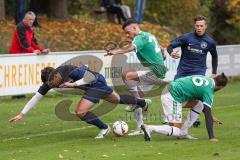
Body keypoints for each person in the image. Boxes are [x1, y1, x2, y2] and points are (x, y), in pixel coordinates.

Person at [9, 64, 151, 139]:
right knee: (117, 99)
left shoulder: (68, 70)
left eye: (53, 82)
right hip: (93, 85)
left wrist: (74, 84)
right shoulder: (49, 82)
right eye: (50, 84)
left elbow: (89, 77)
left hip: (95, 82)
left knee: (80, 111)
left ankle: (104, 128)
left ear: (56, 74)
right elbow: (37, 97)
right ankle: (143, 103)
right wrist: (22, 113)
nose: (52, 85)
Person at [105, 18, 167, 136]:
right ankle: (140, 125)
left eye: (128, 32)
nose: (127, 35)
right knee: (136, 97)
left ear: (135, 28)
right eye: (126, 34)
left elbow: (130, 48)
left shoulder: (139, 38)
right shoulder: (149, 35)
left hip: (155, 71)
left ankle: (141, 102)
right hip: (155, 70)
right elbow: (160, 47)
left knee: (126, 75)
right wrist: (163, 53)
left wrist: (115, 51)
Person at [141, 73, 228, 142]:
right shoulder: (209, 90)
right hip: (172, 96)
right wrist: (211, 137)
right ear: (221, 87)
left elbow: (205, 109)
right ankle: (150, 128)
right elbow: (207, 114)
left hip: (173, 92)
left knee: (199, 105)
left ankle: (184, 132)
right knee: (176, 131)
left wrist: (210, 116)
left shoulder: (206, 79)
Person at [166, 15, 218, 127]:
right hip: (183, 71)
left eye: (201, 26)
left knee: (197, 96)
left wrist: (214, 72)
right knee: (173, 94)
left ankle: (195, 117)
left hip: (199, 72)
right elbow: (170, 46)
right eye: (197, 26)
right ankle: (171, 115)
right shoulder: (186, 38)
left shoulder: (210, 42)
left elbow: (214, 56)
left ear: (205, 26)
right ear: (195, 26)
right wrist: (172, 53)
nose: (199, 28)